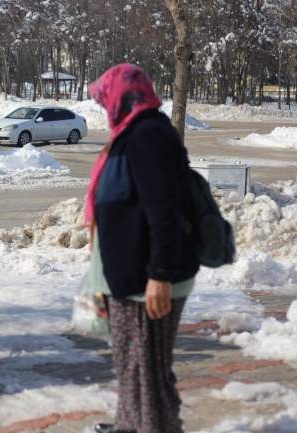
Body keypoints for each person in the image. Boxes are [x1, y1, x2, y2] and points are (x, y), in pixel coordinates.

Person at [85, 64, 199, 433]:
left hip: (147, 279)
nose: (106, 108)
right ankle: (129, 424)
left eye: (106, 99)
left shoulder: (147, 134)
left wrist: (159, 276)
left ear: (123, 96)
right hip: (131, 278)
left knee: (146, 374)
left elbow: (163, 211)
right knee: (135, 368)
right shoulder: (136, 131)